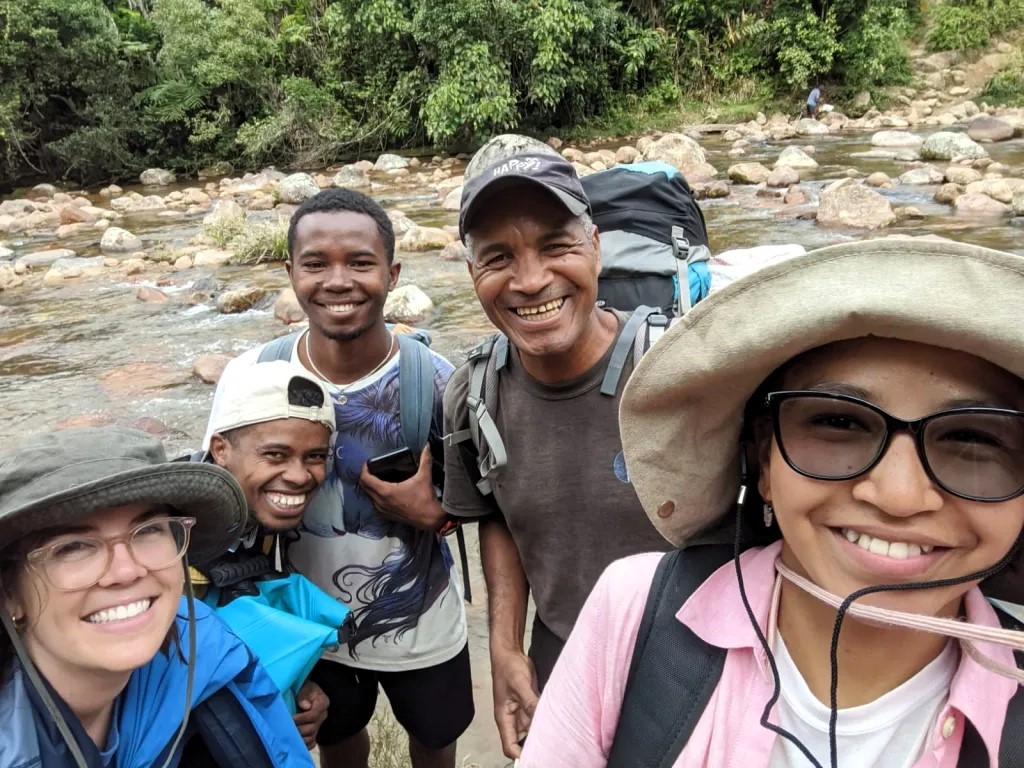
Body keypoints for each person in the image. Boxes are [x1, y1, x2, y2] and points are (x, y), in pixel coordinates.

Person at [521, 238, 1024, 767]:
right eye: (838, 422)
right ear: (763, 462)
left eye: (974, 439)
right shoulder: (633, 610)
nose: (899, 496)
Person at [204, 188, 472, 768]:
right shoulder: (250, 378)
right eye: (316, 263)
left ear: (392, 273)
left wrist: (437, 517)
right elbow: (216, 501)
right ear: (290, 272)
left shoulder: (439, 381)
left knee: (435, 739)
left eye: (360, 262)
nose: (338, 281)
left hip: (422, 626)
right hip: (304, 623)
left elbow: (483, 504)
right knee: (336, 737)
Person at [443, 151, 670, 759]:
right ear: (472, 274)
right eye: (498, 257)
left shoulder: (678, 372)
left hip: (690, 657)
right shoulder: (472, 394)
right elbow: (495, 515)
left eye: (555, 247)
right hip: (561, 651)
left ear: (595, 247)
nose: (530, 280)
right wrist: (505, 651)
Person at [0, 425, 313, 767]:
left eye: (148, 530)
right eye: (73, 547)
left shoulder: (208, 650)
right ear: (9, 594)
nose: (126, 571)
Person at [197, 359, 341, 750]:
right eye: (275, 455)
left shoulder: (259, 515)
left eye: (314, 456)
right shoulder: (172, 532)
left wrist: (295, 685)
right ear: (221, 449)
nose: (298, 476)